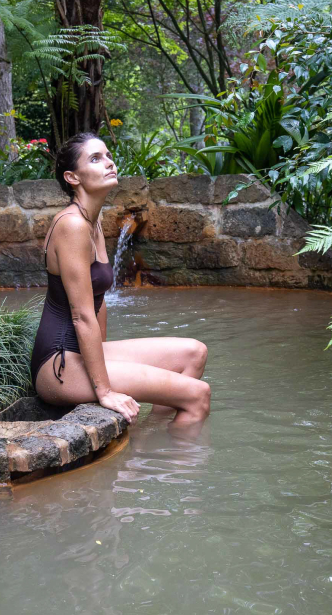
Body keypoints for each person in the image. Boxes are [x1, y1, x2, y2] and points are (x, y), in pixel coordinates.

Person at [30, 132, 211, 429]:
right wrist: (105, 390)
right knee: (198, 395)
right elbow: (81, 315)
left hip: (80, 352)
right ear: (72, 177)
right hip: (58, 364)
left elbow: (99, 303)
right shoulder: (72, 224)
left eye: (108, 156)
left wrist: (106, 362)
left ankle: (150, 439)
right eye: (96, 158)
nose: (109, 163)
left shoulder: (93, 220)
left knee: (194, 353)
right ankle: (171, 467)